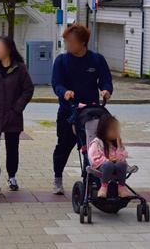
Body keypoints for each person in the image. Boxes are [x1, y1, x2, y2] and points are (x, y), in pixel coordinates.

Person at [51, 24, 113, 194]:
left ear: (83, 42)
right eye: (66, 41)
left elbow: (106, 80)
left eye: (71, 41)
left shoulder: (96, 59)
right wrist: (64, 92)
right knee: (63, 146)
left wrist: (106, 90)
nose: (68, 45)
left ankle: (91, 179)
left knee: (92, 148)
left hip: (91, 113)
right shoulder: (62, 60)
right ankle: (58, 177)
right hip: (68, 111)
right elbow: (56, 83)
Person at [0, 36, 34, 197]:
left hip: (12, 116)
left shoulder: (20, 68)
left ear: (8, 49)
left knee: (12, 148)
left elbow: (28, 90)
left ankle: (12, 177)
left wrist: (17, 108)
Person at [88, 114, 129, 198]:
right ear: (103, 130)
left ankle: (121, 187)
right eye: (112, 130)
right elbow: (94, 159)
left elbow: (122, 159)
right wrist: (108, 160)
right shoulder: (97, 143)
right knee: (109, 164)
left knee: (121, 164)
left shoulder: (115, 144)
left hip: (116, 167)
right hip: (102, 167)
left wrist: (120, 147)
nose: (115, 132)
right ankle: (103, 188)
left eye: (116, 130)